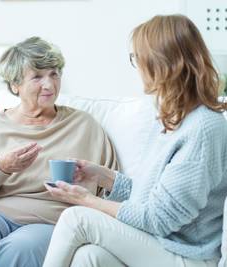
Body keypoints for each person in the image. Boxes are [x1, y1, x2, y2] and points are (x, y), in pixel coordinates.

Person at [43, 14, 227, 267]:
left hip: (189, 256)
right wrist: (102, 177)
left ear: (160, 63)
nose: (137, 66)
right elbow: (153, 198)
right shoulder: (171, 118)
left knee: (77, 218)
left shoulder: (204, 128)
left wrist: (86, 200)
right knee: (89, 257)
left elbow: (160, 218)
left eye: (137, 58)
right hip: (160, 243)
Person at [0, 36, 118, 267]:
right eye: (38, 76)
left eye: (54, 74)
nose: (49, 84)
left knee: (21, 248)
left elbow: (113, 190)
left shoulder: (84, 125)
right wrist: (0, 167)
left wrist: (90, 180)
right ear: (15, 85)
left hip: (51, 221)